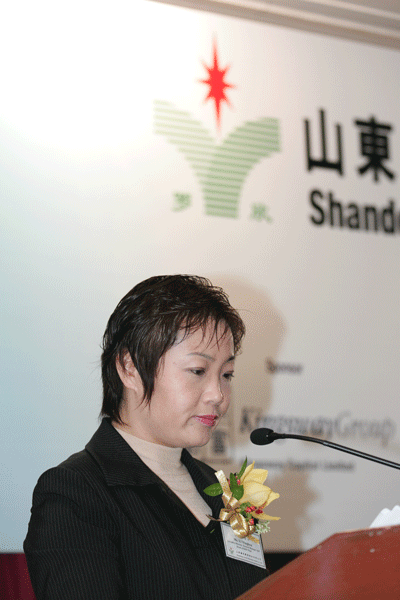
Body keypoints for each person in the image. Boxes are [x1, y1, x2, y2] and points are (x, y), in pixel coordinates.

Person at [24, 275, 268, 600]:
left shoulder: (226, 492)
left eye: (226, 374)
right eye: (198, 371)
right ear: (130, 368)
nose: (218, 394)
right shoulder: (76, 494)